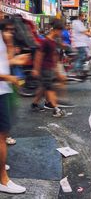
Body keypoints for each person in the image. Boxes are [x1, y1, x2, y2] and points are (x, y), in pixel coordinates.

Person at [0, 20, 26, 194]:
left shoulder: (2, 35)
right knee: (1, 136)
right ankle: (3, 180)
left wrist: (13, 53)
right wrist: (11, 79)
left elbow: (5, 61)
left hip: (4, 90)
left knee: (3, 134)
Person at [31, 19, 66, 117]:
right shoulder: (46, 41)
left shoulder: (53, 41)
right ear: (55, 30)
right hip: (45, 68)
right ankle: (56, 109)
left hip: (50, 68)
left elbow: (54, 56)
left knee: (43, 87)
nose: (60, 33)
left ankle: (34, 104)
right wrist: (36, 69)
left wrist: (56, 70)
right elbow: (39, 55)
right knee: (49, 88)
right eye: (60, 31)